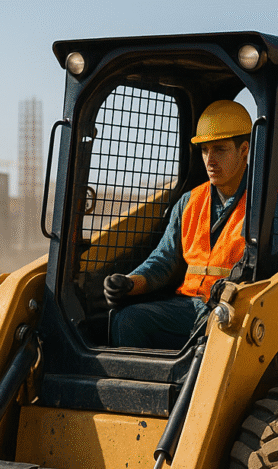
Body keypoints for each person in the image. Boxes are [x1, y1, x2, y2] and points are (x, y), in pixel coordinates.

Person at [104, 99, 252, 348]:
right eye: (205, 150)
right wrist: (129, 283)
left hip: (236, 312)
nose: (210, 160)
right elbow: (162, 261)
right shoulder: (190, 202)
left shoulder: (267, 204)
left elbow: (268, 268)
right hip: (188, 307)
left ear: (244, 150)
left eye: (220, 149)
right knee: (127, 320)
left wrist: (231, 291)